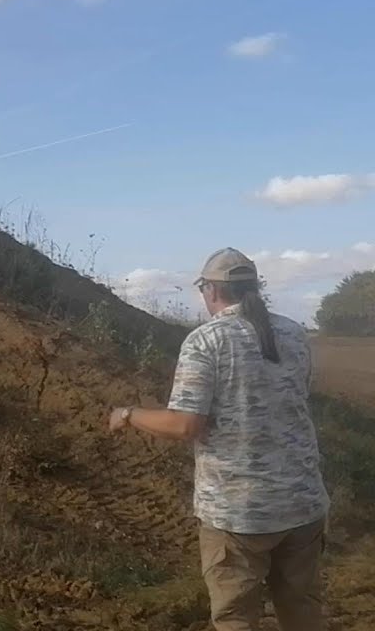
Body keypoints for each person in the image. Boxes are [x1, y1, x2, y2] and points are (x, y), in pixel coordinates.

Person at [108, 247, 330, 631]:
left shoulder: (205, 340)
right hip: (304, 504)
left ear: (210, 290)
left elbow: (184, 426)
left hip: (237, 514)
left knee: (235, 619)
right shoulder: (294, 334)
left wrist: (128, 415)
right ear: (255, 289)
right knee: (302, 612)